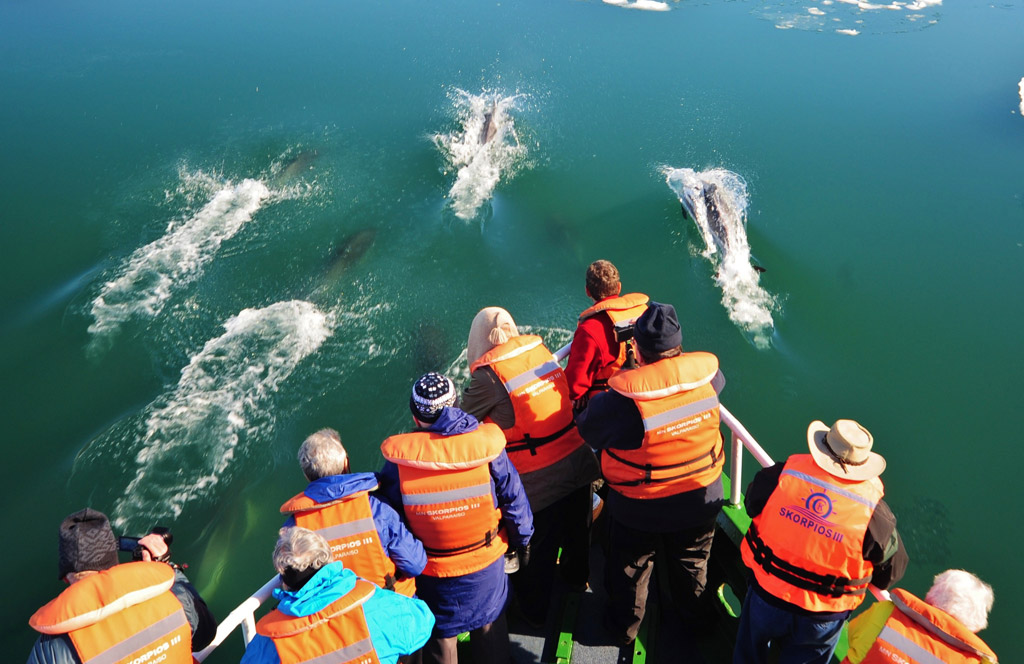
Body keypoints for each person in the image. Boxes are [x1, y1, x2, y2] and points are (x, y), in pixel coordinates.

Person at [576, 302, 726, 644]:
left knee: (630, 571)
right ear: (680, 346)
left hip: (640, 507)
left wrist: (629, 376)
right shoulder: (710, 378)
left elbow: (590, 429)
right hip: (700, 499)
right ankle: (696, 625)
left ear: (637, 350)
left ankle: (623, 629)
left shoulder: (624, 402)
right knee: (692, 568)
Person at [378, 372, 534, 664]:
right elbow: (514, 499)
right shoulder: (487, 449)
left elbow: (392, 525)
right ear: (458, 405)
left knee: (441, 637)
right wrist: (522, 541)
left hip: (434, 575)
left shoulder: (398, 464)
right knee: (491, 627)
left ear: (415, 417)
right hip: (485, 567)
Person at [461, 307, 600, 625]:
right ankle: (579, 581)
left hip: (538, 481)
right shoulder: (539, 351)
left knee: (538, 551)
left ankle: (534, 613)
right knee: (578, 534)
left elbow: (461, 419)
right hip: (578, 460)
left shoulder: (488, 376)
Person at [735, 419, 909, 664]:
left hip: (768, 595)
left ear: (824, 447)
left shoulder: (783, 475)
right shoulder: (876, 514)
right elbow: (890, 573)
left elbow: (752, 504)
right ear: (863, 464)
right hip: (822, 617)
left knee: (748, 656)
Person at [27, 508, 216, 664]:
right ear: (113, 564)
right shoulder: (174, 597)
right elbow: (205, 635)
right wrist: (167, 569)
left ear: (65, 579)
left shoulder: (49, 651)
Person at [241, 527, 434, 664]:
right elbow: (423, 621)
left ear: (284, 580)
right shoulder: (375, 604)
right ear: (328, 558)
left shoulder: (270, 639)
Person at [279, 428, 426, 596]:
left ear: (306, 475)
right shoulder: (377, 509)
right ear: (346, 464)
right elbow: (415, 564)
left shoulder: (294, 529)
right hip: (390, 607)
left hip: (336, 617)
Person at [842, 569, 997, 664]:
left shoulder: (885, 613)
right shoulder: (978, 662)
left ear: (931, 596)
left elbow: (850, 636)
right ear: (977, 622)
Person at [564, 259, 648, 411]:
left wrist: (579, 395)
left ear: (587, 291)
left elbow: (574, 386)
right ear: (619, 287)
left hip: (615, 405)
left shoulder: (590, 329)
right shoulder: (644, 313)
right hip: (647, 389)